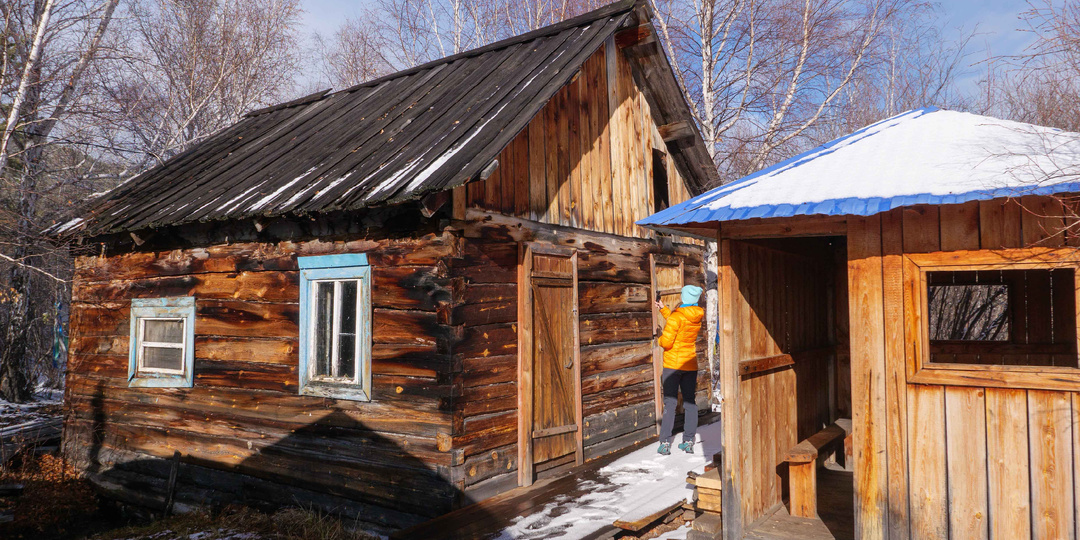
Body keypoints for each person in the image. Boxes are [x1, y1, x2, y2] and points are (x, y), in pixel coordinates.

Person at [655, 284, 704, 455]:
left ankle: (665, 444)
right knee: (690, 402)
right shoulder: (696, 315)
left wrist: (659, 339)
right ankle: (689, 442)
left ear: (684, 297)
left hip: (673, 366)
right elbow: (680, 321)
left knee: (670, 402)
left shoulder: (678, 317)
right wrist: (664, 310)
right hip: (690, 365)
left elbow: (668, 341)